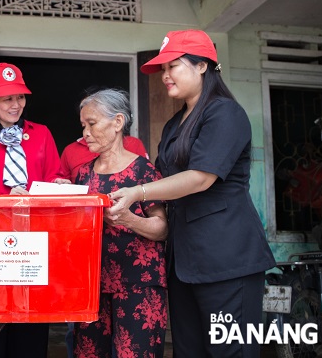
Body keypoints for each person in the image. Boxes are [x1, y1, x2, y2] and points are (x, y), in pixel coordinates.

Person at [109, 30, 276, 358]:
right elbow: (160, 176)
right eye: (163, 70)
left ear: (202, 66)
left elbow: (200, 178)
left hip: (227, 259)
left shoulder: (225, 112)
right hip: (184, 260)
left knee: (230, 351)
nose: (166, 76)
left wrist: (138, 192)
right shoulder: (174, 125)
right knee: (188, 351)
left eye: (173, 66)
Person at [0, 62, 70, 358]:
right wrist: (7, 196)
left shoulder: (42, 135)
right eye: (7, 98)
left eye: (20, 97)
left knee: (31, 320)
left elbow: (52, 178)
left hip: (35, 240)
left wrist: (57, 184)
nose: (15, 105)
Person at [73, 88, 168, 358]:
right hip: (92, 287)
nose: (85, 133)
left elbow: (162, 228)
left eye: (92, 124)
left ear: (117, 123)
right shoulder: (82, 175)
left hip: (139, 284)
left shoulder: (144, 171)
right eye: (83, 126)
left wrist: (128, 219)